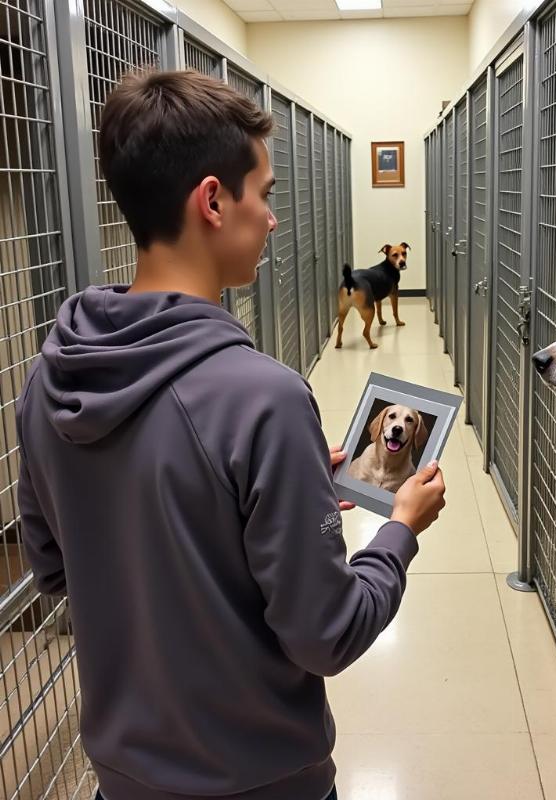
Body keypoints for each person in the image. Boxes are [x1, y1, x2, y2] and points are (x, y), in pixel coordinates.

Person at [15, 70, 446, 800]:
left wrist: (271, 491)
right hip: (262, 781)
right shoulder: (266, 400)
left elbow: (58, 567)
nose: (273, 218)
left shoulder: (51, 377)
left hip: (121, 780)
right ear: (213, 201)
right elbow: (328, 633)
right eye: (266, 193)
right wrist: (400, 530)